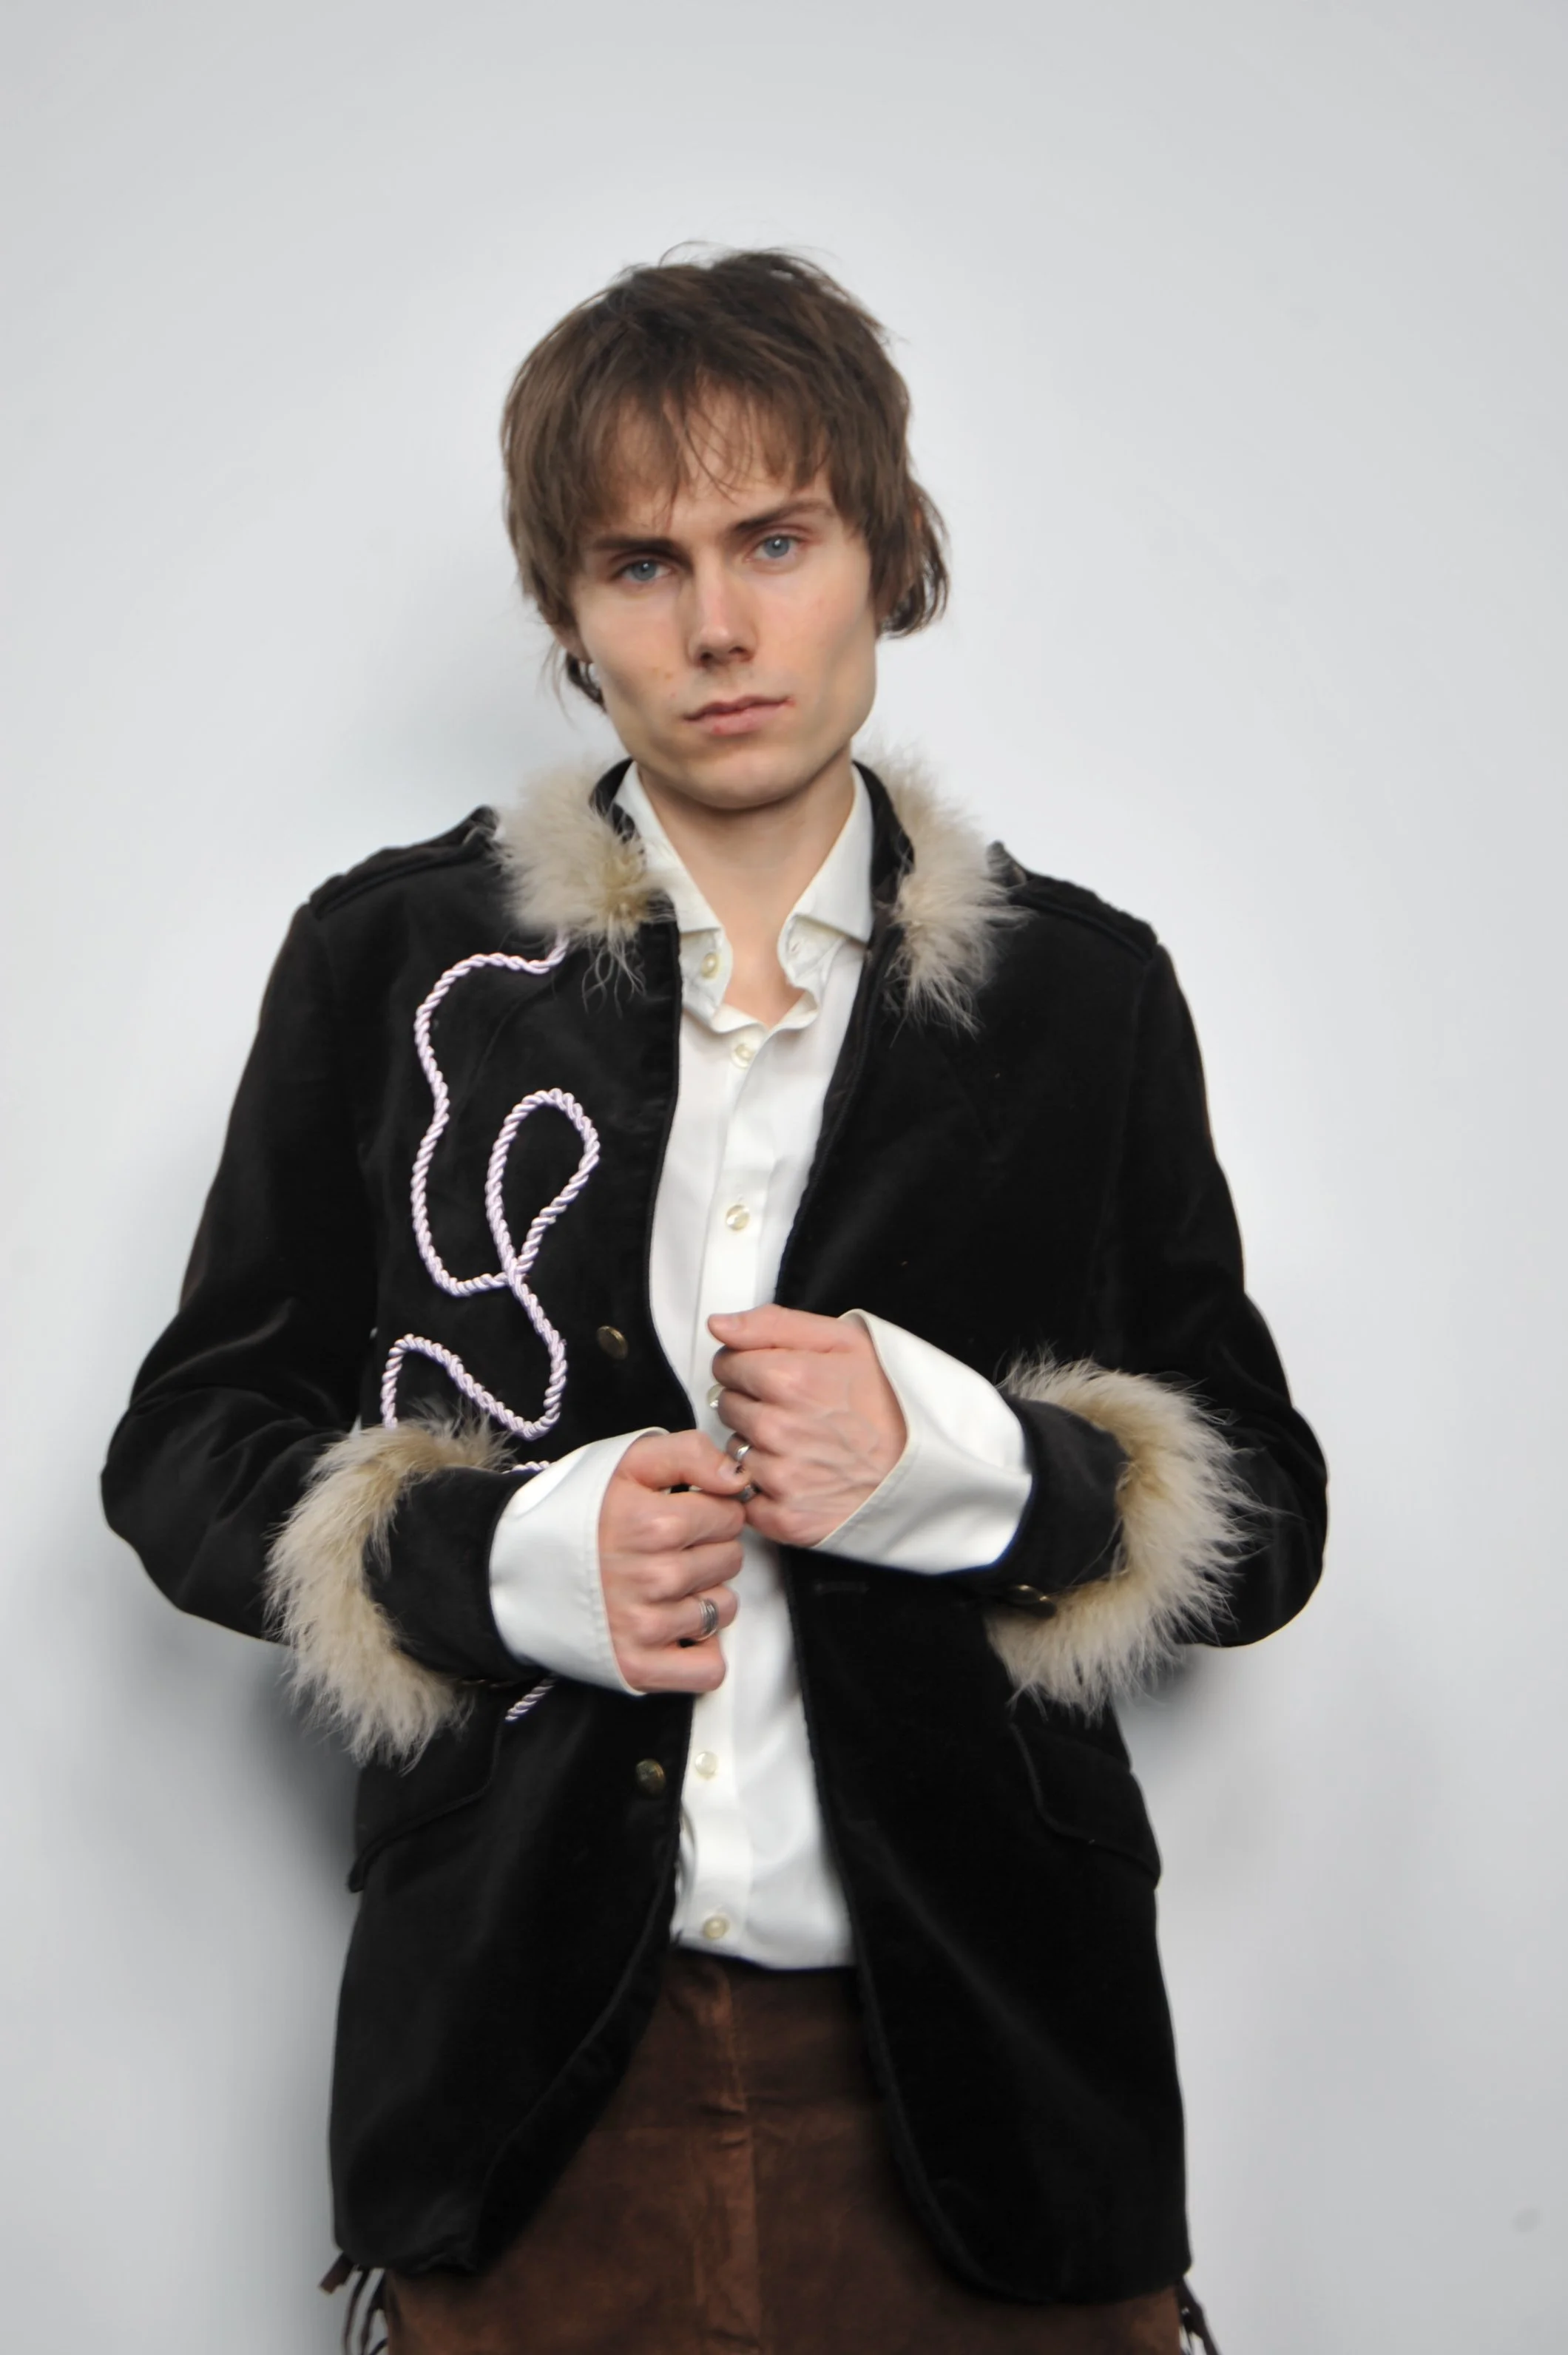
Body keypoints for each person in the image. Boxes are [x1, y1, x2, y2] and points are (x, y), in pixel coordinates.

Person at [101, 249, 1325, 2355]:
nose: (720, 628)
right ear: (570, 613)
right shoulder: (390, 966)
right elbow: (186, 1451)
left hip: (997, 2080)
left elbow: (1267, 1522)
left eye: (777, 540)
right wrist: (506, 1555)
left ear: (887, 553)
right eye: (642, 563)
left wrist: (962, 1464)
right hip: (524, 2087)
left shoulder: (1084, 997)